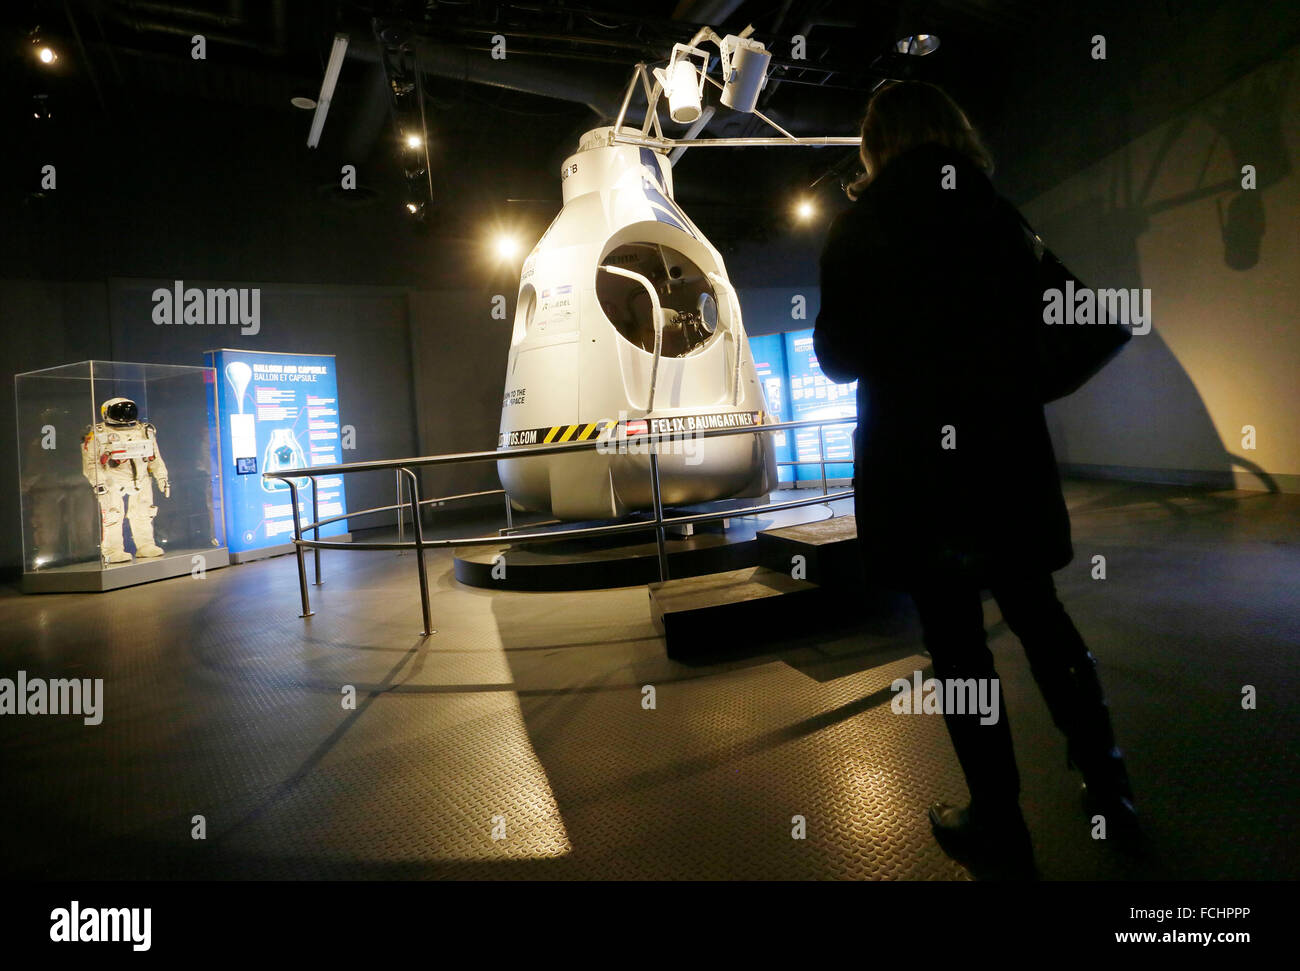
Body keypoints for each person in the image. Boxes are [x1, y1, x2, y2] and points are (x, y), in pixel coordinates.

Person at [812, 81, 1137, 879]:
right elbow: (1099, 323)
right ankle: (1110, 787)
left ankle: (998, 820)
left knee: (958, 652)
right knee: (1043, 621)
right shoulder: (1000, 221)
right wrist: (1023, 388)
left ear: (876, 144)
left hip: (916, 478)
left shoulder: (858, 232)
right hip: (1005, 464)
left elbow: (838, 357)